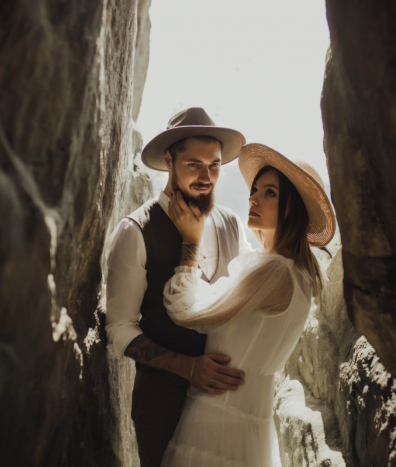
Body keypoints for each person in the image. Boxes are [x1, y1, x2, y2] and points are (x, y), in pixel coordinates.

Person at [160, 143, 337, 467]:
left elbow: (185, 311)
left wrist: (191, 243)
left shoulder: (275, 271)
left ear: (291, 209)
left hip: (216, 425)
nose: (252, 198)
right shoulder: (296, 273)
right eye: (255, 189)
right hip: (247, 424)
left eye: (269, 193)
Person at [104, 108, 253, 467]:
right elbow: (118, 330)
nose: (207, 177)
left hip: (227, 399)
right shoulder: (135, 230)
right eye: (194, 165)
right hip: (162, 403)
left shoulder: (232, 224)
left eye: (214, 165)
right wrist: (188, 368)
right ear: (169, 160)